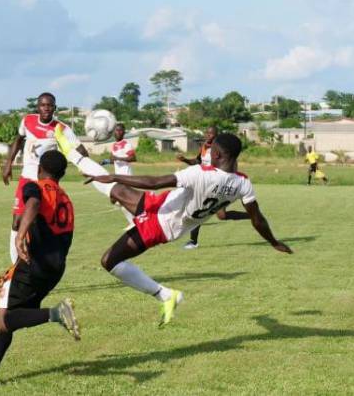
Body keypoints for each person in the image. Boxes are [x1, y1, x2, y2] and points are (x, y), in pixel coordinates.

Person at [56, 129, 292, 327]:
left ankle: (166, 295)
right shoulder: (243, 184)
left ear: (217, 153)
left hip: (160, 223)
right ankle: (72, 154)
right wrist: (273, 241)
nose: (208, 151)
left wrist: (115, 176)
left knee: (109, 260)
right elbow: (257, 219)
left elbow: (155, 181)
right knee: (116, 190)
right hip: (162, 208)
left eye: (211, 149)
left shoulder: (202, 174)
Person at [0, 151, 81, 387]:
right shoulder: (65, 198)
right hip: (55, 268)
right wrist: (23, 223)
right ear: (62, 174)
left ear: (39, 168)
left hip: (34, 264)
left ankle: (57, 313)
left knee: (4, 319)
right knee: (14, 313)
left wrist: (20, 234)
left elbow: (32, 204)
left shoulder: (35, 187)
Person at [1, 93, 89, 264]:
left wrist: (83, 165)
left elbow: (81, 150)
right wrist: (8, 164)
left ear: (54, 108)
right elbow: (18, 140)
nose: (46, 108)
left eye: (50, 105)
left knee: (42, 225)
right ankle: (15, 268)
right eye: (43, 105)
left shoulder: (61, 128)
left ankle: (42, 262)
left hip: (46, 183)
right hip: (27, 178)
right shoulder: (27, 121)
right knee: (17, 222)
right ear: (38, 107)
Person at [176, 126, 217, 250]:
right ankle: (193, 241)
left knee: (221, 215)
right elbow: (197, 162)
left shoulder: (219, 148)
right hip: (202, 181)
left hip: (214, 182)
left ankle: (193, 241)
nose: (207, 135)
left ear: (216, 135)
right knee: (198, 209)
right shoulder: (204, 147)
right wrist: (184, 160)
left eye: (211, 134)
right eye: (207, 133)